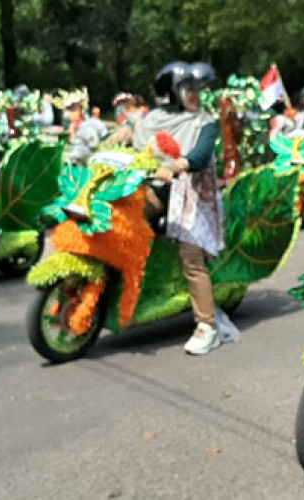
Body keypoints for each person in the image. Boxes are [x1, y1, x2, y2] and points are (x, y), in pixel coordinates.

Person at [109, 61, 224, 355]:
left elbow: (200, 155)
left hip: (194, 196)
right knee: (117, 219)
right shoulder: (152, 119)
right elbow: (138, 145)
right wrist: (120, 138)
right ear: (170, 94)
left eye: (197, 90)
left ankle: (207, 325)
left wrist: (177, 164)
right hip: (160, 191)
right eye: (188, 90)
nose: (195, 95)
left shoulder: (204, 122)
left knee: (191, 258)